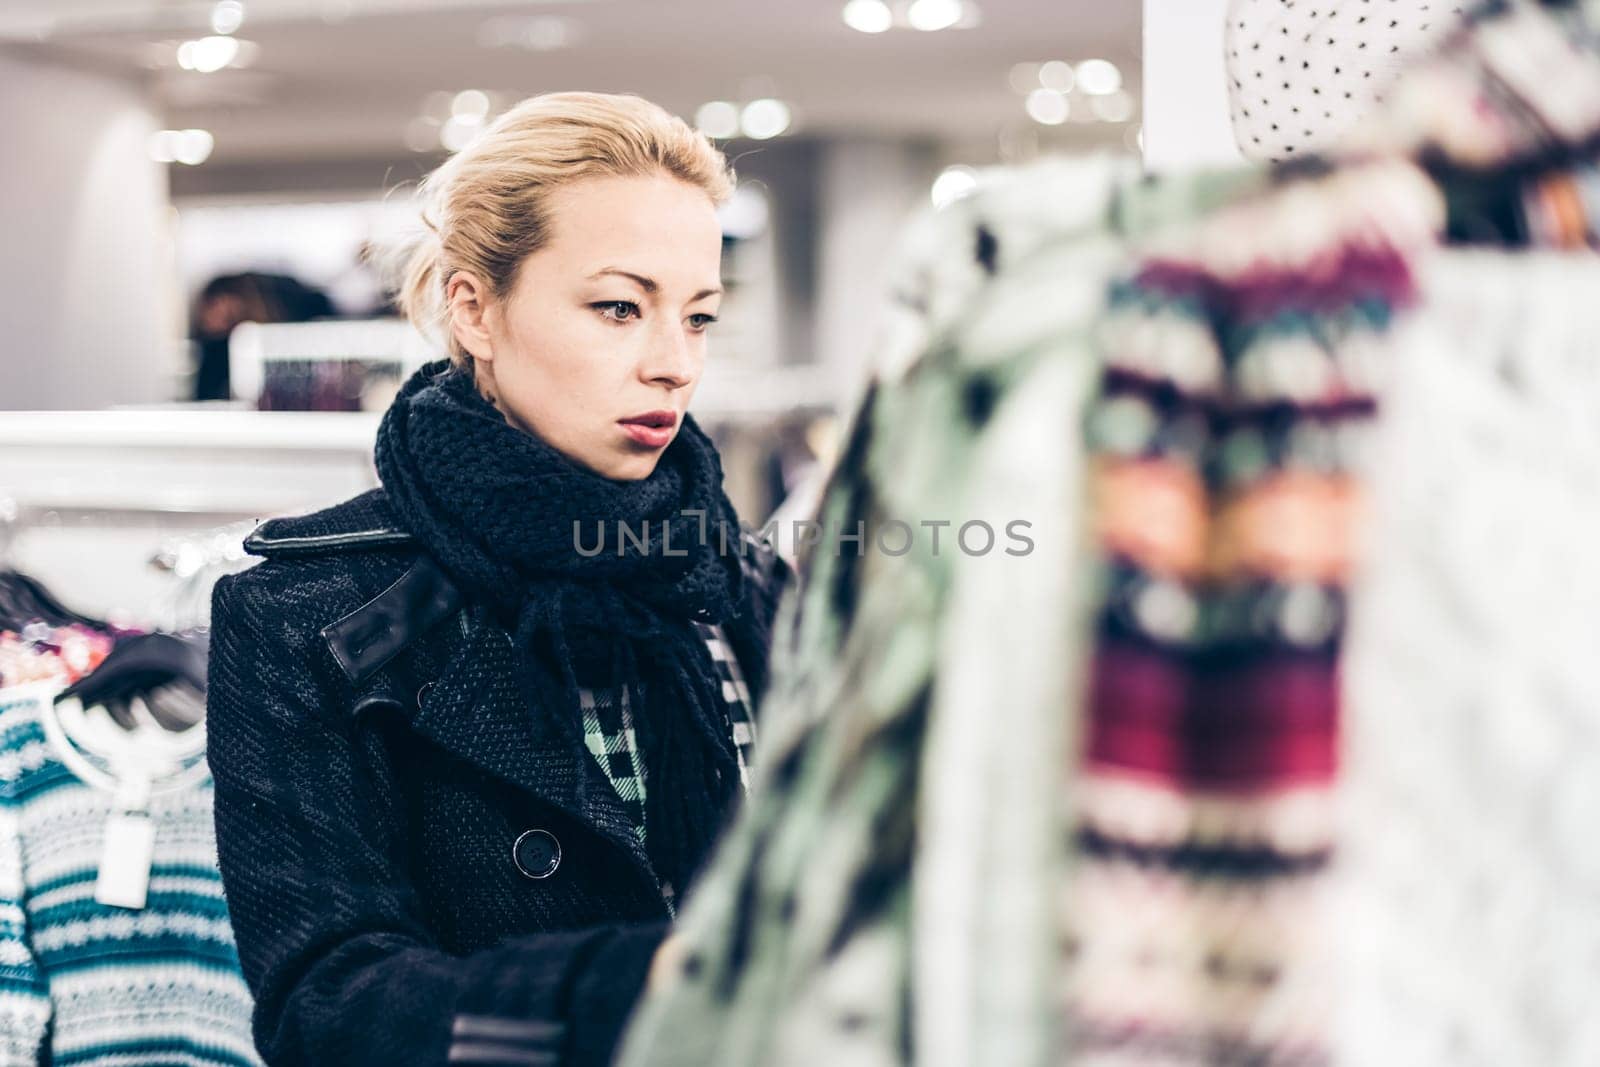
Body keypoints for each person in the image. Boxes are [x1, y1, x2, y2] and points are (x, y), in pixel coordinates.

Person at [205, 92, 791, 1066]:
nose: (673, 363)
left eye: (698, 316)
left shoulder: (736, 586)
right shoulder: (310, 613)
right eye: (618, 306)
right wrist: (635, 986)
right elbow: (326, 1004)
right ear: (475, 309)